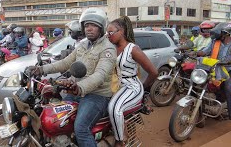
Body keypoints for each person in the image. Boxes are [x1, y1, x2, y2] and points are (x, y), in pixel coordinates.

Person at [26, 8, 116, 146]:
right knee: (58, 121)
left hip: (96, 96)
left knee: (80, 129)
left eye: (93, 25)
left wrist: (79, 88)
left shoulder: (108, 49)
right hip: (75, 92)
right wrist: (41, 69)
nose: (89, 29)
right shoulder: (83, 45)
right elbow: (65, 63)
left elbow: (100, 75)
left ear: (101, 28)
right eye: (86, 25)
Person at [106, 16, 158, 146]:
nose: (108, 35)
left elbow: (154, 72)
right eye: (107, 33)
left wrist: (144, 87)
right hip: (116, 86)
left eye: (110, 32)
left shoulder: (133, 49)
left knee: (114, 108)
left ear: (121, 32)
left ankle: (119, 141)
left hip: (131, 87)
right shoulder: (112, 47)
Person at [197, 23, 231, 120]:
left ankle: (230, 113)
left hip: (228, 71)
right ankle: (200, 110)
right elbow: (205, 51)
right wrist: (198, 53)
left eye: (221, 35)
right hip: (214, 69)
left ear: (226, 34)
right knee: (198, 83)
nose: (219, 37)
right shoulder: (214, 41)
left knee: (228, 89)